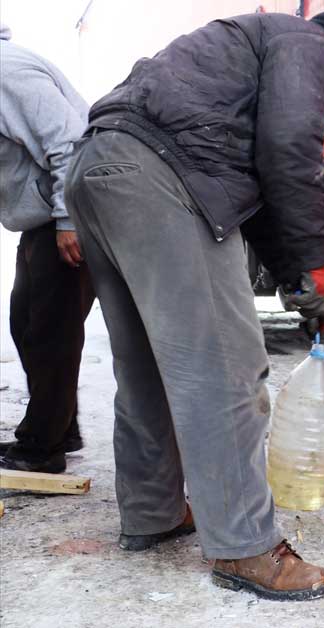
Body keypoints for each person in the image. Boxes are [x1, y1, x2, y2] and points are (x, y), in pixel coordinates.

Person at [64, 10, 324, 601]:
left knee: (149, 368)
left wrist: (293, 278)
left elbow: (247, 199)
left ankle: (152, 514)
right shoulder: (311, 43)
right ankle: (244, 547)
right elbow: (288, 151)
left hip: (98, 168)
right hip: (161, 177)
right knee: (224, 370)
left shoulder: (243, 46)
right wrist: (315, 268)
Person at [0, 24, 96, 474]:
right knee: (28, 324)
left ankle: (42, 447)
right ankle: (61, 428)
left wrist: (68, 219)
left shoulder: (6, 71)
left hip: (69, 214)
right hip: (43, 219)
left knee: (49, 331)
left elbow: (68, 140)